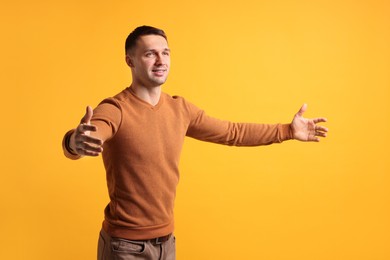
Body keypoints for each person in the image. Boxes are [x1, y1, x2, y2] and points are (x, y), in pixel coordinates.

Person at [62, 25, 328, 260]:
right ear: (129, 61)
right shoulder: (116, 108)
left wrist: (286, 131)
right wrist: (76, 141)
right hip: (125, 247)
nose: (160, 60)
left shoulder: (180, 109)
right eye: (149, 53)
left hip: (167, 243)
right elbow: (92, 132)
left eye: (165, 52)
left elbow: (232, 132)